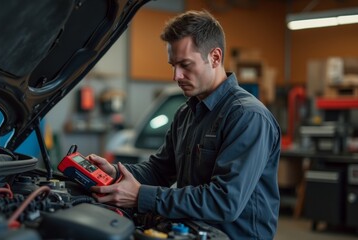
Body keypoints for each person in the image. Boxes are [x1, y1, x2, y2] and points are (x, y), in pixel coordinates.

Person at [89, 9, 281, 239]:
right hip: (191, 232)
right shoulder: (186, 113)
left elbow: (224, 202)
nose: (176, 76)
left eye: (185, 65)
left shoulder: (248, 117)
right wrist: (117, 173)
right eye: (173, 65)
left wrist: (142, 196)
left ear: (215, 57)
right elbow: (159, 170)